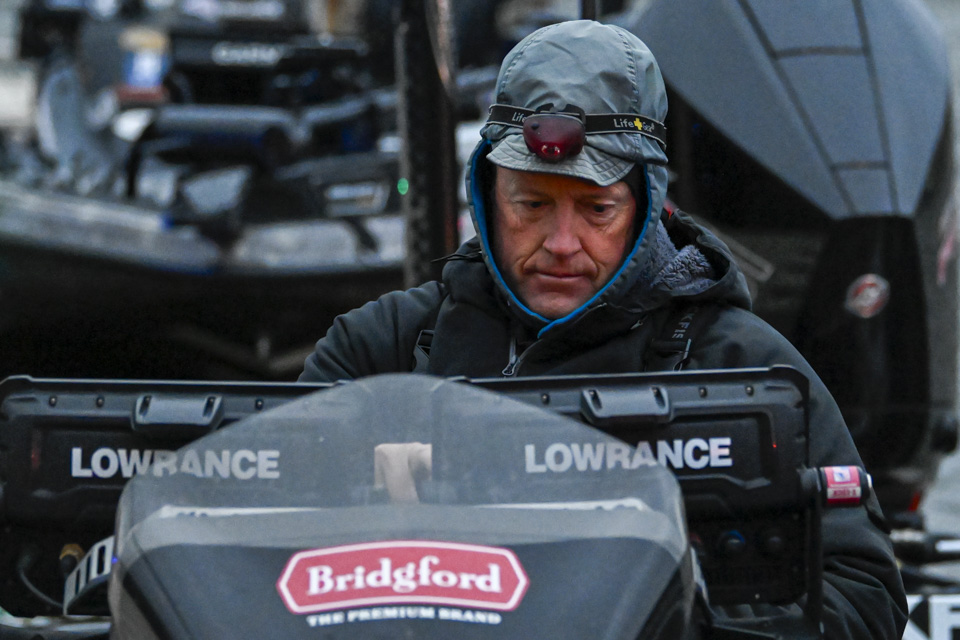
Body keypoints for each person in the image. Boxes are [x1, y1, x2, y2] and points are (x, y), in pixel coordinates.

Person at [299, 20, 907, 639]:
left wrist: (673, 615)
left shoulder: (745, 368)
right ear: (486, 195)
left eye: (597, 209)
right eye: (531, 204)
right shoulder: (382, 350)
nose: (562, 243)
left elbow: (866, 598)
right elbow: (267, 558)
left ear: (646, 205)